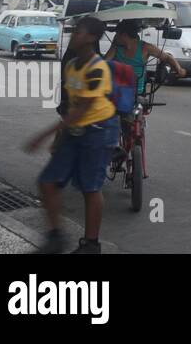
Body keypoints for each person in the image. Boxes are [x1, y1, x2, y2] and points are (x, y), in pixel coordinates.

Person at [25, 16, 120, 254]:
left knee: (90, 187)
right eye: (74, 31)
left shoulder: (97, 68)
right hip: (74, 130)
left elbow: (83, 108)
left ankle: (91, 245)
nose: (73, 35)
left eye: (78, 31)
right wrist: (59, 138)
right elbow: (70, 106)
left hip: (98, 130)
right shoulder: (71, 65)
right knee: (48, 181)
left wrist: (46, 134)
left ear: (91, 38)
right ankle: (56, 237)